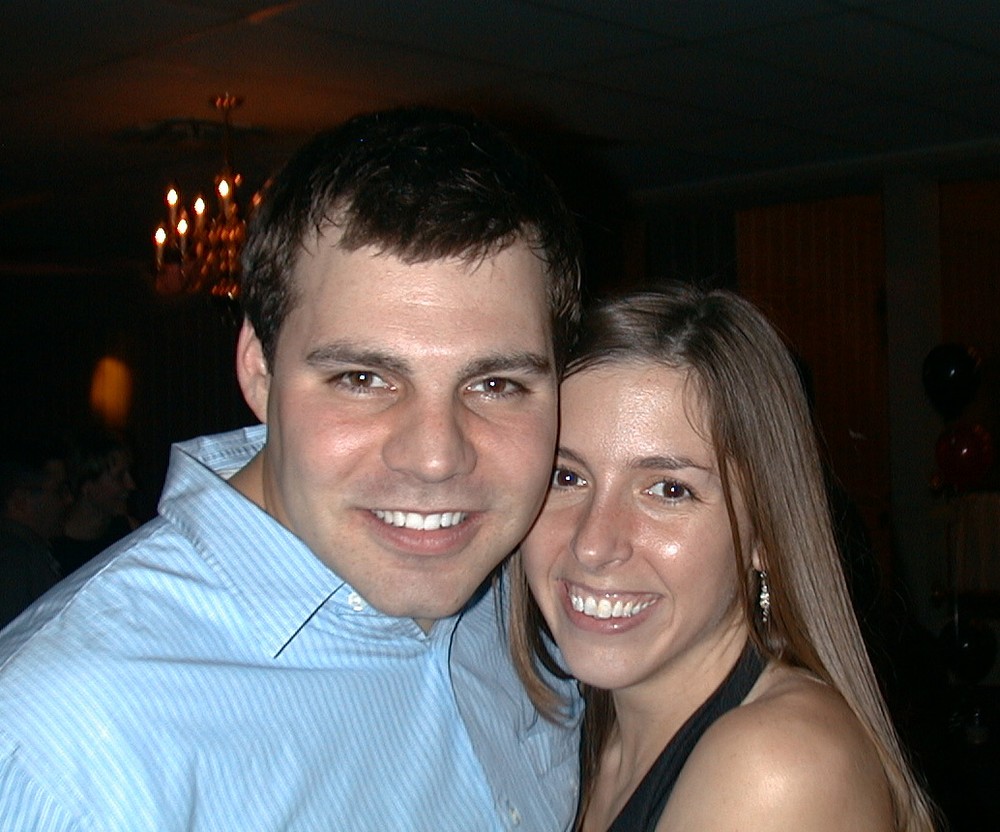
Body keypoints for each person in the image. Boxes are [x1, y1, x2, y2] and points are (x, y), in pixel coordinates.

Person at [0, 106, 583, 831]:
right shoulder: (60, 745)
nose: (437, 458)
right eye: (362, 379)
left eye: (496, 385)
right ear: (259, 371)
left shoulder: (533, 602)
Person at [509, 285, 939, 831]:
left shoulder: (775, 766)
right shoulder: (576, 736)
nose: (593, 543)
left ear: (764, 535)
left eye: (668, 490)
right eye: (566, 477)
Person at [0, 434, 70, 628]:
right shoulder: (12, 562)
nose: (68, 499)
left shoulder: (29, 552)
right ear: (20, 501)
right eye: (59, 490)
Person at [51, 426, 137, 576]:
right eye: (119, 477)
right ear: (87, 487)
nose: (131, 485)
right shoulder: (51, 548)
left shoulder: (129, 531)